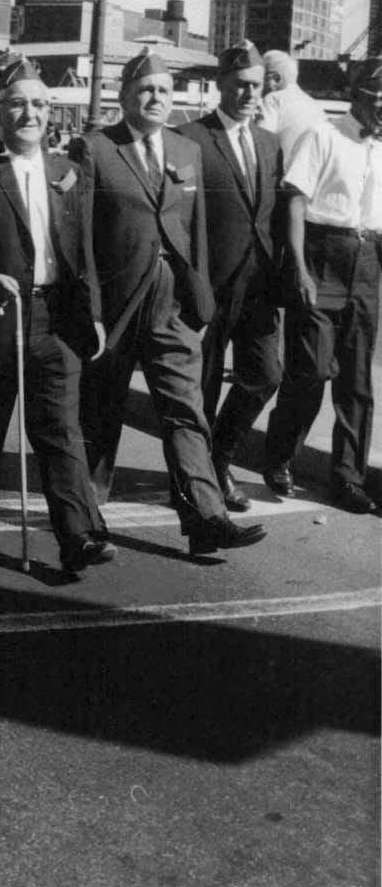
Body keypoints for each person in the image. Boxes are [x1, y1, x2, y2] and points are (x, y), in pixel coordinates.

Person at [73, 52, 265, 556]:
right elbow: (83, 242)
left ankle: (206, 518)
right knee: (101, 412)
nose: (156, 98)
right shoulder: (95, 148)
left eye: (163, 90)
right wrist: (91, 311)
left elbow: (195, 228)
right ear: (124, 96)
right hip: (116, 306)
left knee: (186, 411)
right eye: (145, 90)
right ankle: (88, 519)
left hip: (173, 304)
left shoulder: (184, 148)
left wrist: (199, 301)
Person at [0, 63, 113, 578]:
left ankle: (76, 536)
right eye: (18, 103)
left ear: (51, 114)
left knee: (60, 428)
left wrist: (94, 315)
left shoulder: (66, 172)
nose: (30, 113)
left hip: (54, 316)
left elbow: (82, 253)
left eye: (39, 104)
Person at [258, 59, 382, 514]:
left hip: (367, 263)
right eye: (376, 100)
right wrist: (299, 269)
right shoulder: (324, 135)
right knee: (310, 372)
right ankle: (279, 456)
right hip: (320, 257)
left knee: (356, 382)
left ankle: (348, 478)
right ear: (357, 97)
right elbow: (295, 201)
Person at [174, 46, 286, 509]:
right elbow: (176, 216)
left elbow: (273, 215)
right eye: (239, 83)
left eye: (256, 85)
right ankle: (195, 486)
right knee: (201, 388)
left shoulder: (269, 142)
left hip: (258, 285)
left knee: (264, 375)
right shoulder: (189, 138)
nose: (247, 93)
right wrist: (188, 279)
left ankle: (219, 459)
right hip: (209, 284)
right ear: (220, 83)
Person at [259, 48, 330, 166]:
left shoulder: (273, 99)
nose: (259, 87)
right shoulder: (316, 107)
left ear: (276, 79)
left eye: (261, 79)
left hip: (281, 177)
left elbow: (261, 144)